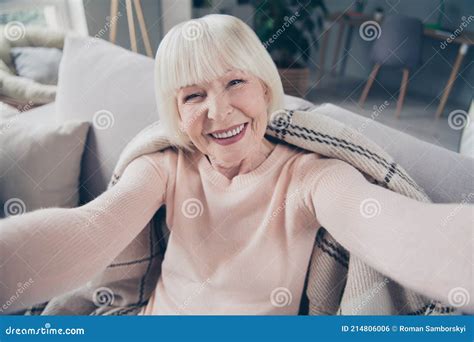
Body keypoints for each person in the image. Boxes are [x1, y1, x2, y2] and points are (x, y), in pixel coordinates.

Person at [0, 14, 472, 315]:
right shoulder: (167, 166)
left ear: (265, 88)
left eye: (235, 83)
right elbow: (93, 227)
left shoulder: (311, 175)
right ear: (176, 113)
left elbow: (391, 226)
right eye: (193, 95)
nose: (218, 111)